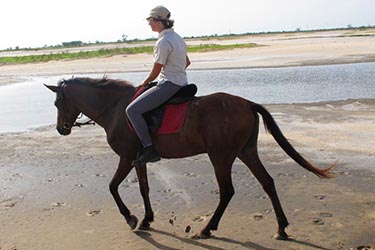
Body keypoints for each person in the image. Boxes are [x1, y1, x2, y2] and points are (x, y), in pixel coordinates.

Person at [126, 5, 191, 167]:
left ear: (160, 21)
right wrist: (175, 71)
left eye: (151, 20)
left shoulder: (163, 42)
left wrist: (144, 83)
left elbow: (155, 72)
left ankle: (149, 148)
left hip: (169, 84)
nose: (149, 23)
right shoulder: (177, 38)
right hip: (182, 82)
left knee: (132, 110)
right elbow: (187, 62)